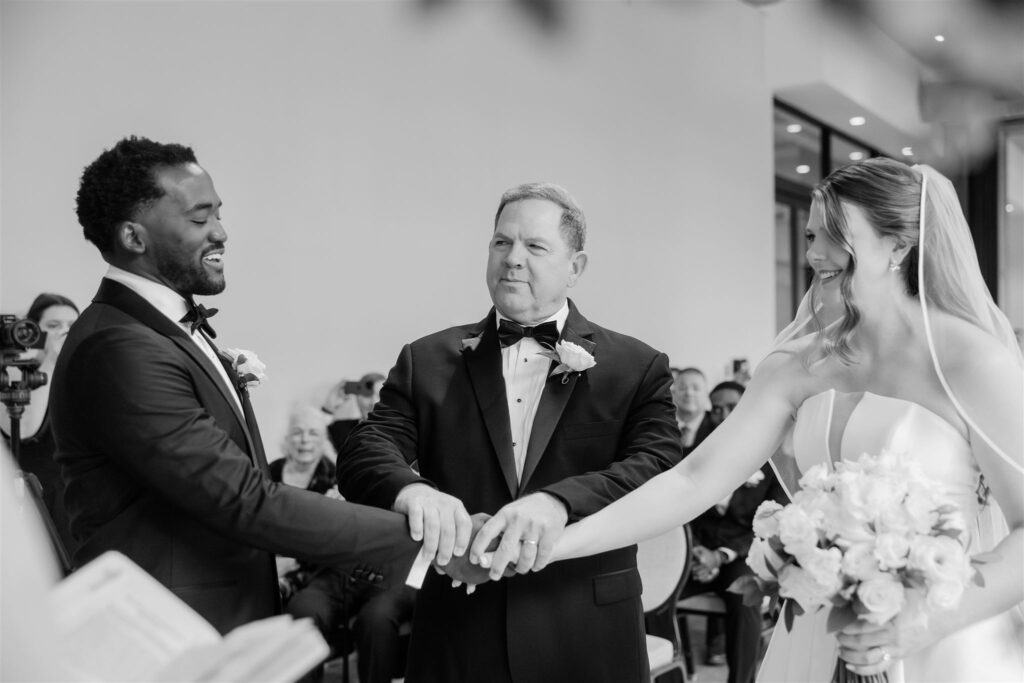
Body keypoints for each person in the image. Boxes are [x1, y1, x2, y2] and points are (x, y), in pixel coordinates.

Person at [509, 158, 1023, 682]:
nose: (812, 254)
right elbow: (693, 480)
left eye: (836, 235)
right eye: (809, 235)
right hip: (820, 639)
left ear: (898, 245)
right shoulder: (796, 365)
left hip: (943, 642)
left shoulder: (972, 364)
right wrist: (556, 545)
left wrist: (925, 621)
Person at [51, 136, 424, 635]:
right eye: (200, 219)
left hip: (212, 621)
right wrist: (418, 537)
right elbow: (246, 500)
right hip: (168, 635)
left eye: (218, 214)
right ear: (134, 238)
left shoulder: (159, 331)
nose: (222, 232)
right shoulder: (119, 347)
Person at [335, 182, 683, 683]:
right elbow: (366, 450)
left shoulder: (636, 366)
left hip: (587, 628)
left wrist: (560, 502)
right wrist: (412, 490)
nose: (513, 259)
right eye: (502, 243)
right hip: (460, 624)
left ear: (576, 267)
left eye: (535, 247)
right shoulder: (427, 359)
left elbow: (659, 465)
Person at [271, 405, 416, 683]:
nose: (304, 441)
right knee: (304, 610)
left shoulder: (414, 466)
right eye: (298, 434)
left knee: (376, 620)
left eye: (312, 434)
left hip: (389, 571)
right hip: (335, 569)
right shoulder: (349, 469)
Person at [681, 380, 786, 683]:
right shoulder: (693, 455)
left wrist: (721, 555)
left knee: (745, 596)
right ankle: (668, 672)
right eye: (716, 409)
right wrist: (696, 551)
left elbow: (776, 521)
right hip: (695, 555)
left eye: (731, 407)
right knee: (650, 590)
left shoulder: (774, 460)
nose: (723, 414)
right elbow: (681, 510)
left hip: (743, 555)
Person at [1, 293, 79, 559]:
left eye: (71, 326)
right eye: (53, 326)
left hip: (75, 510)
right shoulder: (14, 376)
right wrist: (51, 361)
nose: (64, 333)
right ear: (32, 332)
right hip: (36, 509)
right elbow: (23, 431)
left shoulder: (83, 376)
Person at [322, 372, 385, 452]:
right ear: (357, 397)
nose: (373, 402)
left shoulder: (401, 430)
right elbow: (315, 442)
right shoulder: (340, 429)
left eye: (380, 395)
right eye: (367, 395)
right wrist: (328, 409)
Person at [672, 366, 714, 456]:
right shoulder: (660, 426)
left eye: (696, 388)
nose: (689, 393)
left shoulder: (717, 426)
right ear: (674, 393)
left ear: (707, 392)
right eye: (682, 388)